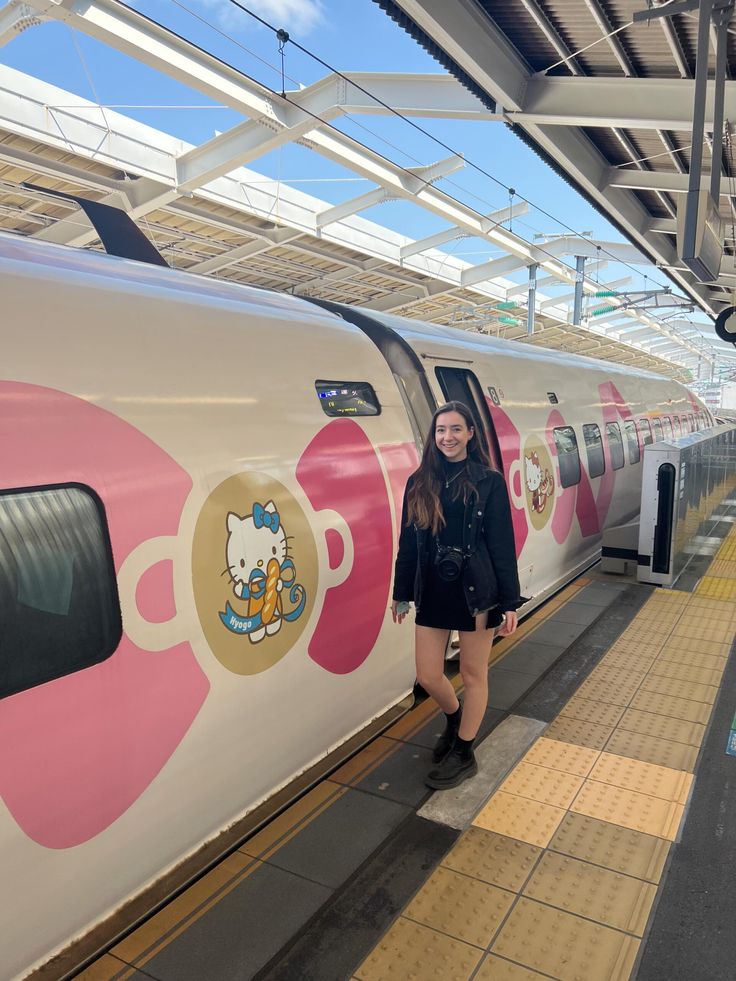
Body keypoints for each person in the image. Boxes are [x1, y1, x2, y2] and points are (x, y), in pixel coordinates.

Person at [391, 400, 522, 790]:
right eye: (440, 430)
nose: (447, 437)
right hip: (432, 588)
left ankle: (464, 751)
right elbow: (408, 543)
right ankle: (454, 717)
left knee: (472, 673)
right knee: (429, 675)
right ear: (434, 436)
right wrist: (401, 591)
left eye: (455, 429)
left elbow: (501, 544)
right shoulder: (419, 482)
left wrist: (510, 602)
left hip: (476, 591)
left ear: (470, 434)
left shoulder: (488, 481)